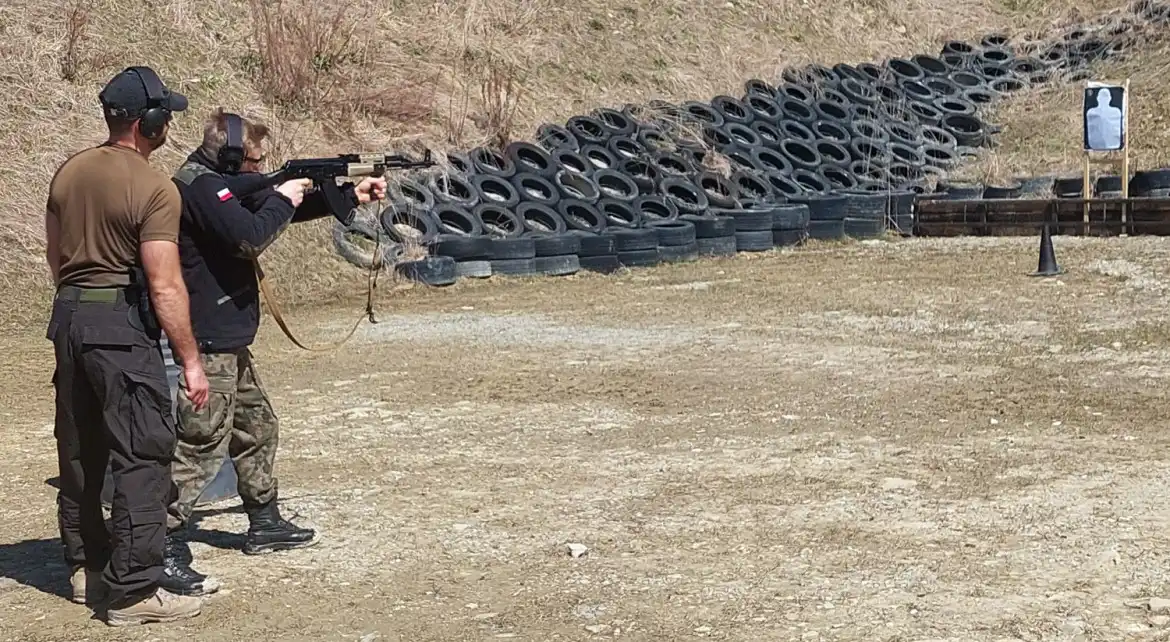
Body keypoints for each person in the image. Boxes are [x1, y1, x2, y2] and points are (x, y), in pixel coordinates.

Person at [158, 108, 387, 596]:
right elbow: (249, 234)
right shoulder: (199, 187)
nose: (260, 171)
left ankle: (265, 523)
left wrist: (345, 195)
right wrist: (284, 193)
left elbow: (263, 204)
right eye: (254, 163)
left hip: (228, 339)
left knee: (258, 427)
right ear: (232, 155)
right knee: (200, 444)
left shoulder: (219, 183)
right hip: (207, 340)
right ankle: (165, 541)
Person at [44, 65, 210, 626]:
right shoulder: (155, 188)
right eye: (166, 116)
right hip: (118, 325)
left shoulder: (68, 172)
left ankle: (85, 568)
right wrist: (190, 360)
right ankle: (136, 592)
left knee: (81, 450)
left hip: (68, 318)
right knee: (143, 454)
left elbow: (55, 260)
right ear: (151, 122)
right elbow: (163, 283)